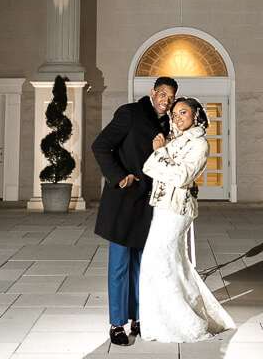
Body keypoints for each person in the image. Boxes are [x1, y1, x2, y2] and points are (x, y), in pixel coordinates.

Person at [138, 96, 236, 342]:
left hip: (178, 209)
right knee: (173, 263)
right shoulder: (176, 140)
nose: (177, 117)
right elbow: (149, 168)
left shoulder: (200, 144)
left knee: (159, 260)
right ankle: (162, 318)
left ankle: (183, 323)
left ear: (195, 115)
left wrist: (160, 154)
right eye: (175, 113)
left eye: (183, 112)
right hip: (162, 206)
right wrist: (163, 158)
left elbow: (182, 176)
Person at [91, 76, 177, 346]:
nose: (166, 101)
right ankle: (117, 324)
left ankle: (139, 317)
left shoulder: (169, 124)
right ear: (153, 93)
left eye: (171, 97)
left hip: (150, 205)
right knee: (119, 265)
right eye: (162, 94)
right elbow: (101, 145)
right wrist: (119, 176)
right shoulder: (130, 113)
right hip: (123, 201)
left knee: (143, 265)